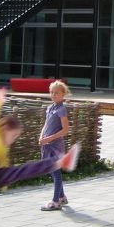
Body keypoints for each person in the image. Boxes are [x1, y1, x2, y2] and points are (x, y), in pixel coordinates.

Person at [0, 88, 80, 227]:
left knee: (24, 170)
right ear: (4, 129)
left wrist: (8, 177)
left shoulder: (2, 146)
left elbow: (4, 162)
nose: (13, 140)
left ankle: (59, 162)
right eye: (13, 136)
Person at [39, 80, 71, 211]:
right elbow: (46, 125)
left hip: (55, 146)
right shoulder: (50, 108)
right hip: (46, 144)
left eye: (57, 92)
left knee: (55, 172)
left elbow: (65, 130)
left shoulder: (62, 109)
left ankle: (56, 201)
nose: (54, 94)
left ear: (63, 94)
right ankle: (62, 197)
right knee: (51, 170)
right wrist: (41, 136)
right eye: (52, 92)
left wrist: (49, 139)